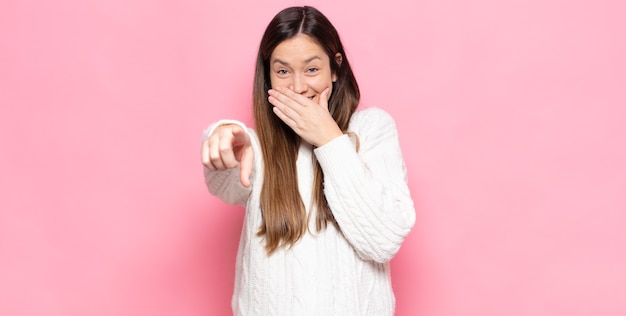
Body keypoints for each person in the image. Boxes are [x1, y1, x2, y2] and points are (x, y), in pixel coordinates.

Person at [201, 6, 415, 316]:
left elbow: (383, 240)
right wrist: (221, 136)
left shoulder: (372, 129)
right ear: (268, 76)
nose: (299, 87)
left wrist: (329, 140)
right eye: (283, 71)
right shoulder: (257, 147)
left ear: (335, 68)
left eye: (312, 69)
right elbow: (225, 182)